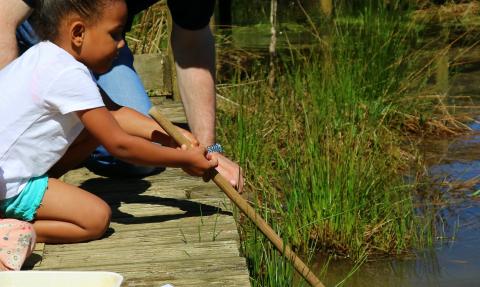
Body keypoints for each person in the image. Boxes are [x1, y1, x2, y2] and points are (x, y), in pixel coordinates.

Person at [0, 0, 219, 244]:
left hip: (6, 170)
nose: (122, 42)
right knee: (96, 219)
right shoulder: (69, 75)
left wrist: (174, 138)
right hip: (10, 183)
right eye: (114, 34)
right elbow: (120, 144)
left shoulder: (47, 55)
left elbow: (116, 113)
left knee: (95, 129)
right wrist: (182, 159)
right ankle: (9, 232)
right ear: (78, 33)